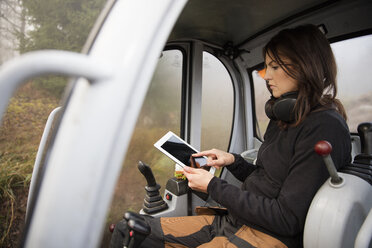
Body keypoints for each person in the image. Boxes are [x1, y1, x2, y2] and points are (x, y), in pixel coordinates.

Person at [110, 24, 351, 248]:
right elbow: (269, 177)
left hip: (267, 237)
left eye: (276, 67)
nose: (267, 76)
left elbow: (287, 219)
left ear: (306, 67)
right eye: (267, 67)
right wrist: (232, 161)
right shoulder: (285, 117)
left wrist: (213, 185)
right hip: (234, 221)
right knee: (127, 230)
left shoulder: (322, 128)